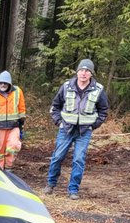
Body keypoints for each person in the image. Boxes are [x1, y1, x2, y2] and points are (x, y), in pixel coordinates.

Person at [46, 60, 109, 200]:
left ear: (91, 74)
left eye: (87, 71)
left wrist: (94, 125)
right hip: (66, 129)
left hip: (84, 131)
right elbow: (55, 106)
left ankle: (73, 190)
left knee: (79, 160)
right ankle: (50, 184)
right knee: (57, 157)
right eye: (81, 70)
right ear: (77, 72)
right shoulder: (66, 86)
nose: (84, 73)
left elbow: (103, 110)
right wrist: (58, 122)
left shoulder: (98, 89)